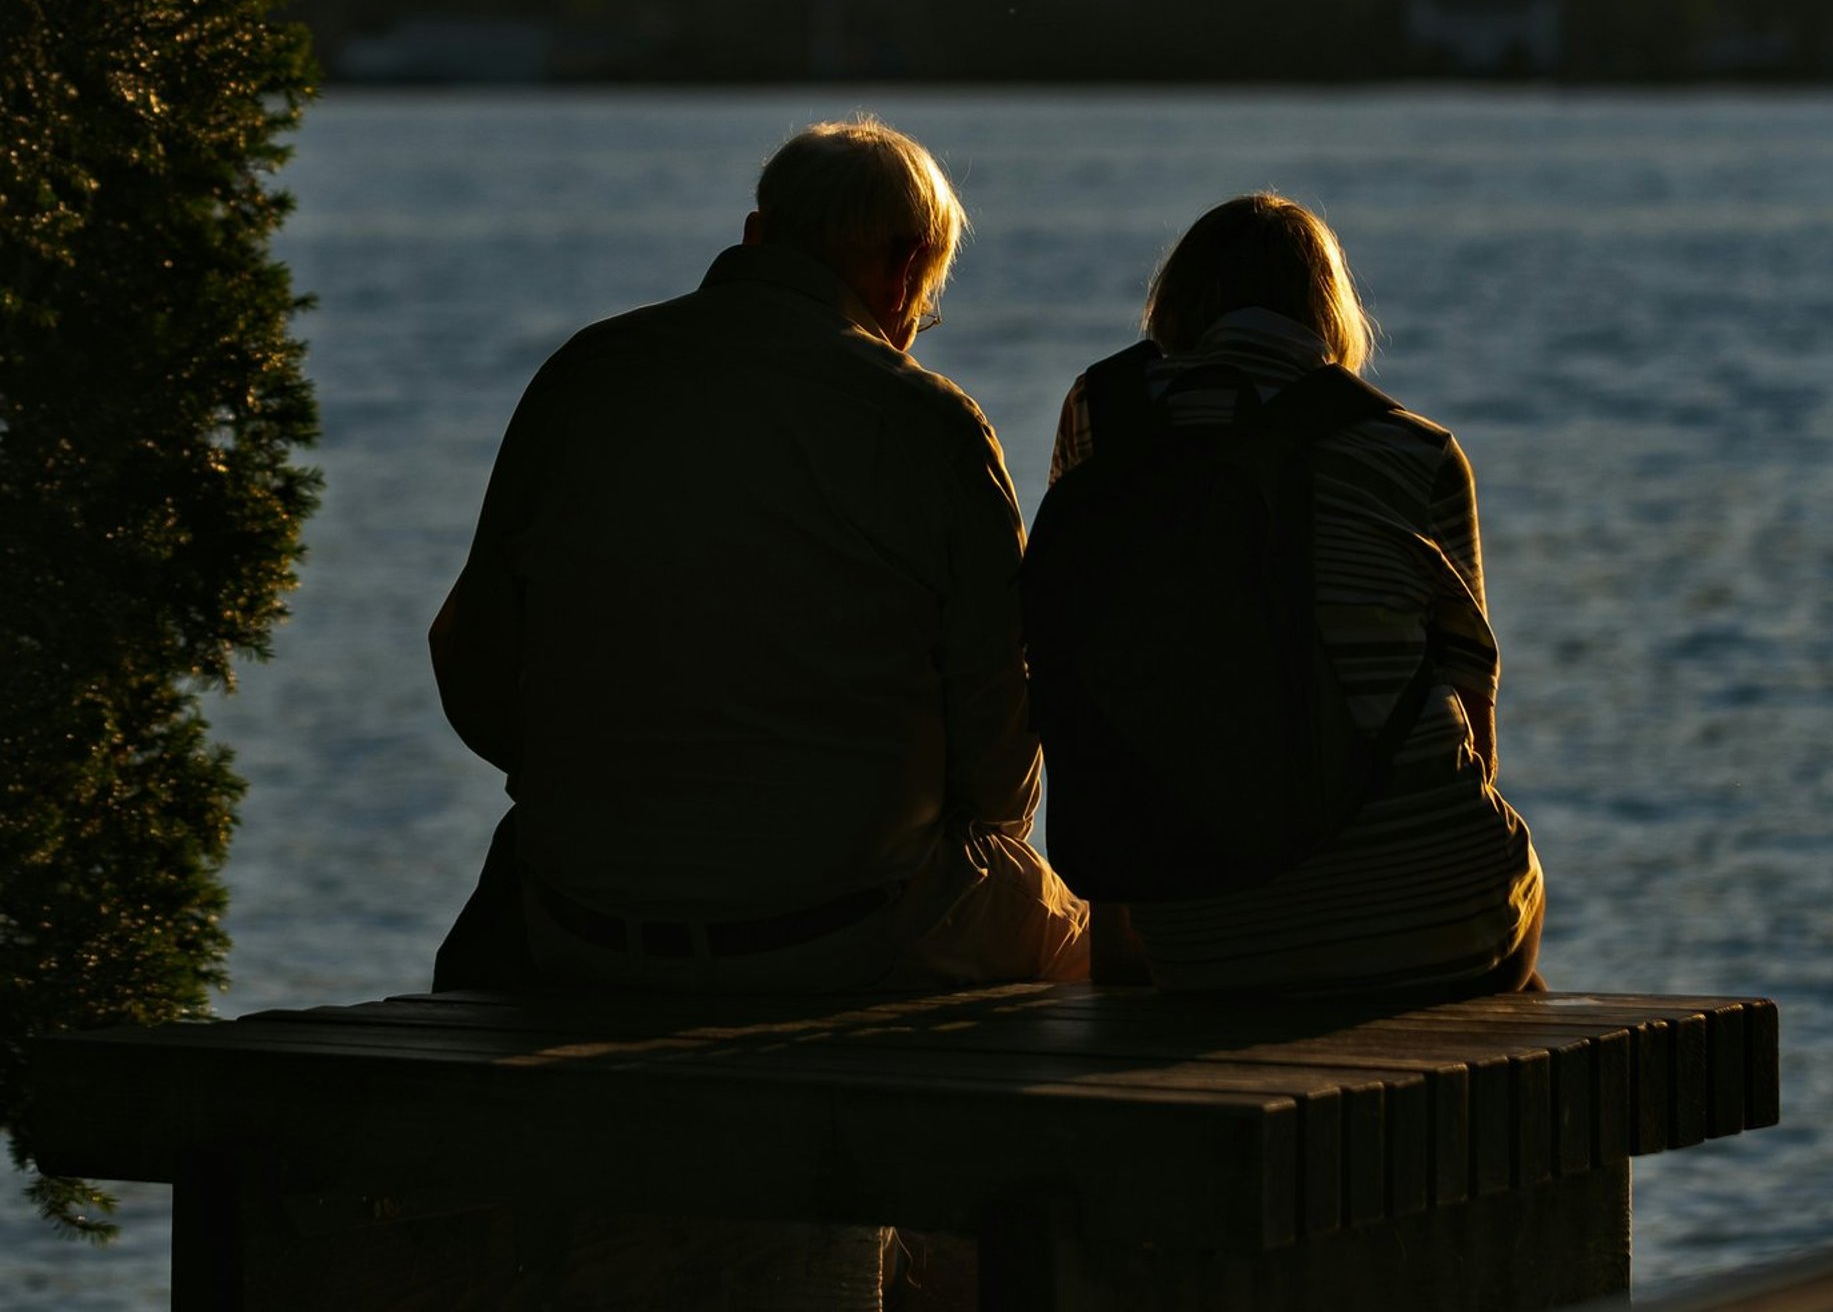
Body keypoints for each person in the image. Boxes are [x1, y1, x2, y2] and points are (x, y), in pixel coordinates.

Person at [429, 116, 1086, 996]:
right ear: (902, 270)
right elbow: (999, 763)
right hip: (846, 936)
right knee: (1092, 943)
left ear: (756, 234)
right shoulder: (931, 423)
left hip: (581, 925)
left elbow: (469, 659)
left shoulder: (586, 374)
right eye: (925, 301)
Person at [1033, 192, 1544, 998]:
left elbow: (1087, 673)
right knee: (1513, 933)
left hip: (1202, 934)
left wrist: (1125, 968)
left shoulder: (1103, 416)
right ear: (1329, 313)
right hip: (1439, 913)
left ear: (1178, 301)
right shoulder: (1416, 450)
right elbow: (1474, 731)